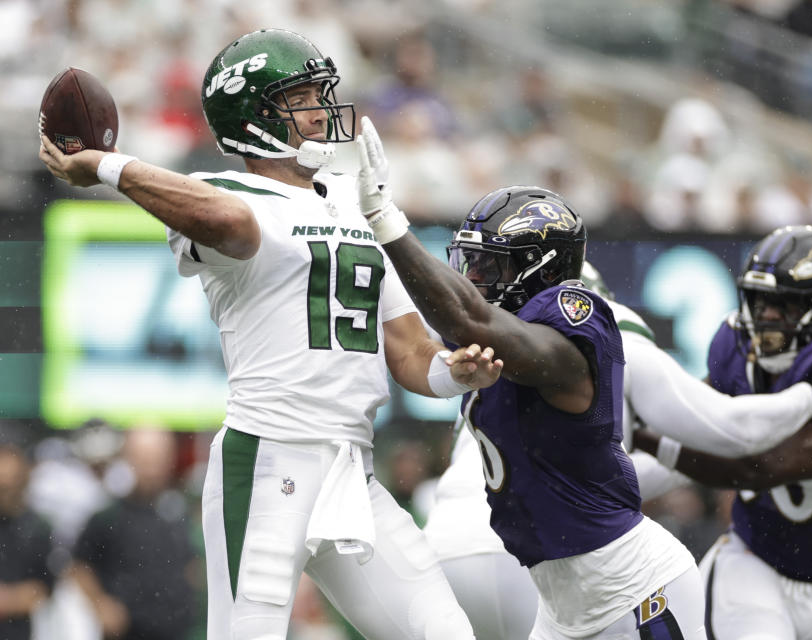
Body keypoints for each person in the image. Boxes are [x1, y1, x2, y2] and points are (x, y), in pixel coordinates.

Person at [39, 28, 504, 640]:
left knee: (444, 632)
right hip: (266, 459)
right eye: (303, 96)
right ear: (256, 116)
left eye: (320, 92)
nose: (322, 109)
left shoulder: (348, 208)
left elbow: (410, 349)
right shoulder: (226, 195)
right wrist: (104, 164)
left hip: (351, 469)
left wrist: (454, 371)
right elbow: (227, 220)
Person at [421, 261, 812, 640]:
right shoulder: (602, 339)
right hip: (562, 572)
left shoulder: (490, 353)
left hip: (452, 551)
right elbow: (736, 431)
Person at [633, 225, 812, 640]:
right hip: (756, 567)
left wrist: (640, 436)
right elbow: (701, 429)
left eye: (783, 304)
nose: (764, 316)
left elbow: (755, 467)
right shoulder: (737, 348)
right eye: (759, 300)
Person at [69, 428, 199, 640]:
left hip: (178, 629)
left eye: (157, 459)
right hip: (127, 631)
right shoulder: (108, 516)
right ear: (128, 459)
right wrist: (101, 605)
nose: (151, 469)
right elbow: (78, 565)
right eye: (144, 459)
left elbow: (193, 564)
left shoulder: (180, 511)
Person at [0, 442, 55, 640]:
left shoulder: (36, 527)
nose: (6, 492)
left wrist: (9, 600)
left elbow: (43, 589)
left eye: (11, 484)